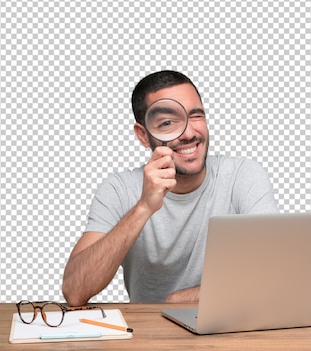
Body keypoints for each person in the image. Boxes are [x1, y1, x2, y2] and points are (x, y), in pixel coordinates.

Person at [62, 70, 279, 306]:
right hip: (150, 336)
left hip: (228, 331)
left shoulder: (242, 175)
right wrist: (144, 207)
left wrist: (180, 298)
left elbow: (276, 273)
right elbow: (75, 291)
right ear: (143, 135)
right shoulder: (118, 189)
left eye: (195, 116)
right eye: (167, 123)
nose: (189, 133)